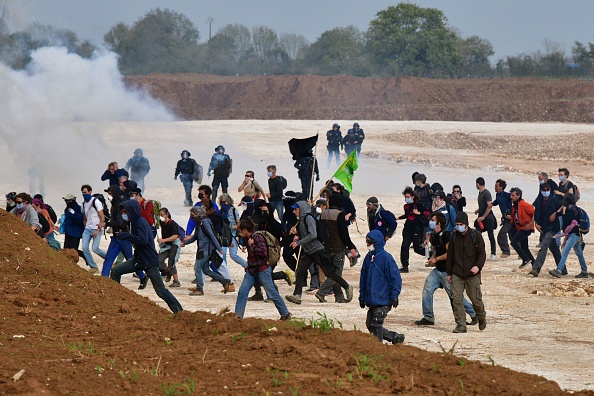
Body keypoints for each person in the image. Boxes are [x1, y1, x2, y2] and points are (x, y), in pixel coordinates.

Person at [110, 200, 183, 314]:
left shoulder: (140, 223)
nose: (124, 214)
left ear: (132, 211)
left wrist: (126, 236)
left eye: (125, 211)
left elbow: (142, 240)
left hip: (149, 262)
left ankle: (179, 312)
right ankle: (115, 301)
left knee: (161, 291)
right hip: (139, 260)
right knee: (115, 271)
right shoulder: (134, 222)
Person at [285, 201, 354, 305]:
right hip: (309, 251)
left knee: (329, 273)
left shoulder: (308, 218)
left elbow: (313, 235)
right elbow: (306, 234)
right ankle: (297, 295)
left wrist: (298, 242)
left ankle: (347, 286)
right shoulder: (301, 220)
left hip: (317, 250)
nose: (294, 212)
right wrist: (297, 234)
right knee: (299, 272)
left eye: (296, 209)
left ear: (302, 209)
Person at [415, 212, 477, 326]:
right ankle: (428, 317)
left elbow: (450, 253)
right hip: (437, 271)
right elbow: (436, 250)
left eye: (433, 220)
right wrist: (432, 259)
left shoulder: (446, 235)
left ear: (440, 222)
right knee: (427, 290)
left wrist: (437, 259)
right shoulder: (434, 235)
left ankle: (474, 313)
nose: (431, 222)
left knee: (456, 297)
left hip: (447, 272)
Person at [234, 219, 292, 320]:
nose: (241, 234)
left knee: (272, 293)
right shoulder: (250, 238)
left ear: (245, 230)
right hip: (251, 270)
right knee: (242, 292)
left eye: (242, 231)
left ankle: (285, 314)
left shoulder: (257, 237)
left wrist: (252, 245)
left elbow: (263, 253)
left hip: (262, 270)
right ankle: (238, 316)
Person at [359, 230, 404, 344]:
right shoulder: (369, 257)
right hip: (372, 299)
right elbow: (363, 278)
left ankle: (377, 348)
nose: (367, 244)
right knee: (370, 324)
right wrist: (362, 296)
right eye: (367, 242)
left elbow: (395, 278)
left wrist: (394, 295)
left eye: (369, 242)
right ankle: (394, 337)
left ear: (376, 242)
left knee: (376, 324)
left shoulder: (386, 258)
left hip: (384, 299)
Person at [446, 212, 487, 333]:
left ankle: (481, 316)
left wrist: (477, 267)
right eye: (457, 224)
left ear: (466, 224)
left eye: (461, 224)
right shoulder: (454, 236)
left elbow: (482, 254)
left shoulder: (476, 235)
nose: (459, 227)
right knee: (456, 299)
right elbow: (450, 256)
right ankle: (461, 325)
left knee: (476, 300)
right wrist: (449, 273)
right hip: (457, 273)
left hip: (472, 274)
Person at [316, 196, 358, 303]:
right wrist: (351, 247)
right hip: (338, 247)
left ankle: (339, 297)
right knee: (336, 274)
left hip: (326, 247)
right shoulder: (339, 214)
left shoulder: (323, 214)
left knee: (332, 273)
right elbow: (344, 233)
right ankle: (321, 292)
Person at [184, 206, 230, 296]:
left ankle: (199, 289)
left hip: (205, 249)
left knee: (197, 268)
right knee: (205, 270)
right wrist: (185, 242)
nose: (191, 216)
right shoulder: (200, 223)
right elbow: (195, 237)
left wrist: (219, 249)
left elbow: (212, 235)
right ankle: (224, 281)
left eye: (192, 214)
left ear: (198, 214)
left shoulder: (204, 222)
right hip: (204, 249)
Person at [549, 194, 589, 278]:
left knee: (565, 251)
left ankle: (559, 270)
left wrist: (563, 211)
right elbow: (560, 215)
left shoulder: (572, 210)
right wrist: (562, 210)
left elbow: (566, 221)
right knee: (579, 253)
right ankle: (584, 271)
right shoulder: (574, 209)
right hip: (576, 234)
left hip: (574, 234)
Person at [530, 184, 562, 277]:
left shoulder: (554, 199)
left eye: (547, 189)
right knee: (554, 248)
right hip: (543, 228)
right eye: (544, 189)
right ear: (540, 190)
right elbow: (536, 212)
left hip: (552, 228)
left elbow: (563, 206)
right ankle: (562, 268)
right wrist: (536, 223)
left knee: (543, 246)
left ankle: (536, 268)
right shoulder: (539, 200)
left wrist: (555, 213)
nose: (546, 191)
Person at [397, 188, 429, 273]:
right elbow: (407, 215)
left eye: (408, 197)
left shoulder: (418, 205)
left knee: (417, 248)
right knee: (404, 246)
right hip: (408, 228)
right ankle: (404, 266)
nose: (406, 198)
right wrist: (398, 218)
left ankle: (432, 255)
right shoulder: (406, 206)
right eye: (405, 197)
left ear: (412, 197)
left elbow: (427, 213)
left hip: (417, 229)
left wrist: (419, 213)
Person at [80, 184, 107, 274]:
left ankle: (108, 259)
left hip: (96, 228)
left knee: (95, 248)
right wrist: (85, 226)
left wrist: (98, 230)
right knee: (84, 247)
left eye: (86, 192)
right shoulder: (84, 204)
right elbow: (85, 217)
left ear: (90, 192)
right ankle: (93, 266)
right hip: (87, 229)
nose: (84, 194)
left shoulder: (96, 202)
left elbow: (102, 217)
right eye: (83, 193)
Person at [507, 187, 535, 268]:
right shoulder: (514, 206)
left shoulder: (524, 205)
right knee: (525, 248)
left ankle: (525, 259)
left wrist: (530, 224)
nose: (511, 197)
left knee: (514, 242)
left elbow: (535, 213)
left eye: (513, 195)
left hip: (525, 228)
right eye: (511, 195)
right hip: (520, 228)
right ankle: (535, 265)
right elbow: (514, 218)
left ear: (518, 196)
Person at [61, 193, 91, 266]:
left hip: (76, 233)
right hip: (68, 232)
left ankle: (86, 257)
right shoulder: (67, 209)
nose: (66, 203)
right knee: (66, 249)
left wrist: (74, 214)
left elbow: (81, 219)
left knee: (74, 250)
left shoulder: (79, 208)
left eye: (68, 201)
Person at [157, 208, 182, 288]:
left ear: (167, 215)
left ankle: (176, 280)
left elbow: (175, 236)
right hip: (166, 245)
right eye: (160, 215)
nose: (161, 216)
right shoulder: (162, 223)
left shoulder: (172, 224)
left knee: (172, 262)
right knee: (159, 261)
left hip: (174, 244)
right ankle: (168, 272)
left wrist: (163, 240)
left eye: (162, 215)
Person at [474, 177, 497, 260]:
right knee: (478, 234)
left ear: (477, 184)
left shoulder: (486, 193)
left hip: (488, 217)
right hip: (481, 217)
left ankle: (493, 253)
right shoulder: (480, 193)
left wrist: (483, 217)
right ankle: (478, 252)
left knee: (490, 235)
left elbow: (489, 206)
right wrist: (478, 210)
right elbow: (482, 206)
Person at [492, 179, 512, 258]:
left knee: (502, 234)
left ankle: (506, 251)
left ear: (501, 187)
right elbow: (496, 201)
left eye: (496, 186)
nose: (495, 187)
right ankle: (521, 253)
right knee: (512, 237)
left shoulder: (506, 195)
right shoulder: (498, 195)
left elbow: (515, 198)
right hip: (505, 219)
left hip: (510, 219)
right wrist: (491, 204)